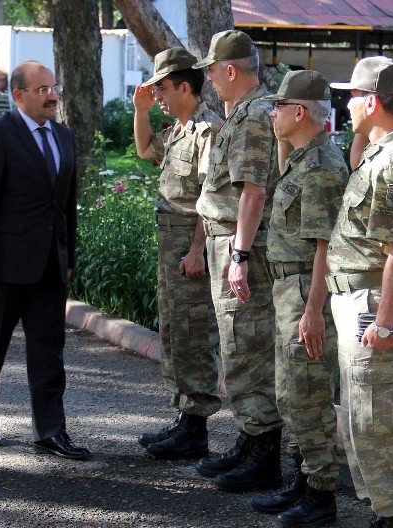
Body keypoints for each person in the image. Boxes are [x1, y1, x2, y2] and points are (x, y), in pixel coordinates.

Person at [0, 60, 90, 460]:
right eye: (42, 89)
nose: (52, 96)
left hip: (50, 264)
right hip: (3, 266)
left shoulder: (64, 136)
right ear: (18, 95)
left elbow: (66, 204)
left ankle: (50, 431)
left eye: (54, 87)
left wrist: (68, 255)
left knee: (49, 351)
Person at [329, 57, 393, 528]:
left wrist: (385, 321)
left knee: (377, 417)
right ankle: (387, 512)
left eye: (353, 96)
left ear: (371, 100)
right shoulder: (378, 152)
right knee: (360, 414)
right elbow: (353, 160)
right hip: (357, 297)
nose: (345, 104)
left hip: (372, 301)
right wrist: (364, 126)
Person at [250, 69, 347, 527]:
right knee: (291, 394)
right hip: (287, 288)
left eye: (279, 107)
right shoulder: (303, 157)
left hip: (307, 294)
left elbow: (325, 246)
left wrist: (312, 311)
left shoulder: (324, 167)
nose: (272, 114)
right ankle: (305, 481)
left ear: (301, 112)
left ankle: (321, 496)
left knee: (306, 394)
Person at [192, 29, 284, 492]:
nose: (209, 79)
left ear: (230, 70)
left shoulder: (252, 117)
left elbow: (254, 191)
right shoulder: (244, 113)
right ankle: (251, 440)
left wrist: (240, 255)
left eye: (211, 70)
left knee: (247, 347)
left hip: (238, 243)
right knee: (236, 346)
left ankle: (263, 452)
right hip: (226, 240)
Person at [132, 47, 222, 460]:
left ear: (186, 86)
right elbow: (146, 150)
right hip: (171, 242)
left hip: (189, 242)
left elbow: (211, 196)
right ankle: (185, 419)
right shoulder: (181, 130)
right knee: (173, 333)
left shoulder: (207, 131)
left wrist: (197, 250)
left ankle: (196, 429)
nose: (160, 96)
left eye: (163, 89)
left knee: (192, 336)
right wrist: (142, 110)